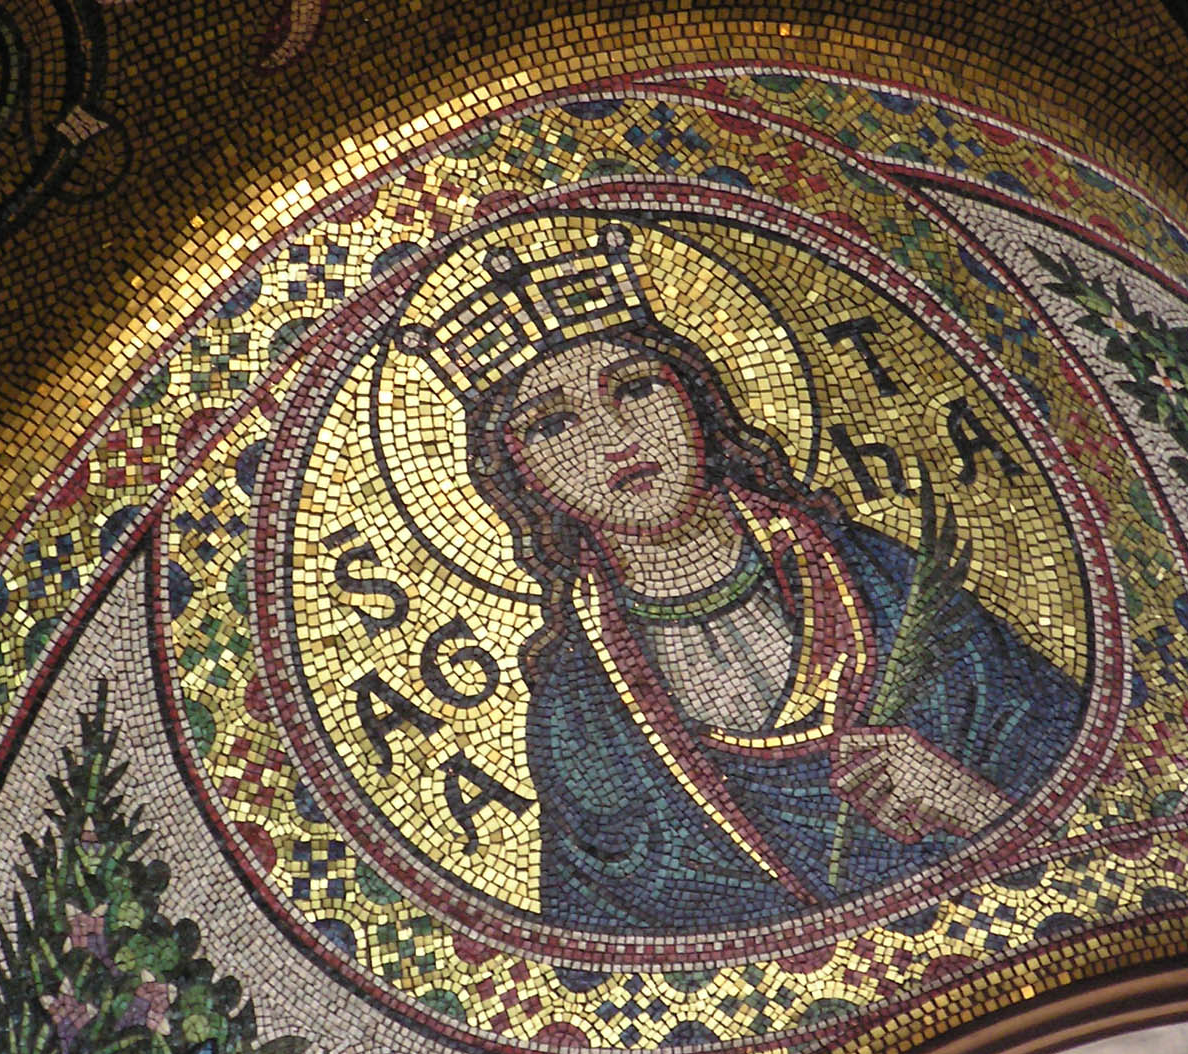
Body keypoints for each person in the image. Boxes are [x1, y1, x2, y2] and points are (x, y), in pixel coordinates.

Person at [403, 227, 1083, 931]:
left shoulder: (888, 586)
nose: (613, 437)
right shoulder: (577, 718)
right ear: (522, 480)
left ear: (697, 403)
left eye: (636, 388)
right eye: (551, 425)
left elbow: (1094, 818)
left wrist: (970, 803)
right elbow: (612, 955)